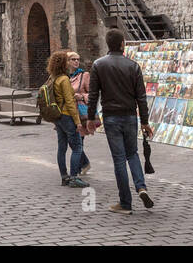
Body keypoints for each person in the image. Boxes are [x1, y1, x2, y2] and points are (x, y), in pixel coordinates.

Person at [87, 28, 153, 213]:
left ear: (108, 44)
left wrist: (91, 117)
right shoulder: (133, 66)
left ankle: (125, 203)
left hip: (111, 117)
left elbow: (93, 95)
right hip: (130, 116)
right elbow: (141, 97)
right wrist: (145, 122)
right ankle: (141, 187)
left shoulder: (99, 65)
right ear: (122, 44)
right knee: (133, 154)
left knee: (118, 159)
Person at [47, 50, 89, 188]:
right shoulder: (64, 80)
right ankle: (73, 177)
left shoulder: (53, 78)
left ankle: (64, 176)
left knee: (62, 147)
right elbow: (70, 103)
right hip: (67, 116)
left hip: (58, 117)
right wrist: (77, 122)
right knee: (77, 147)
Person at [67, 51, 92, 175]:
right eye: (73, 59)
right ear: (67, 62)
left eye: (77, 59)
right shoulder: (64, 77)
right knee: (72, 141)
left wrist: (81, 97)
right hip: (67, 113)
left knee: (78, 141)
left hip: (80, 113)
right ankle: (84, 163)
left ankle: (77, 168)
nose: (76, 61)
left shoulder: (84, 75)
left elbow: (92, 94)